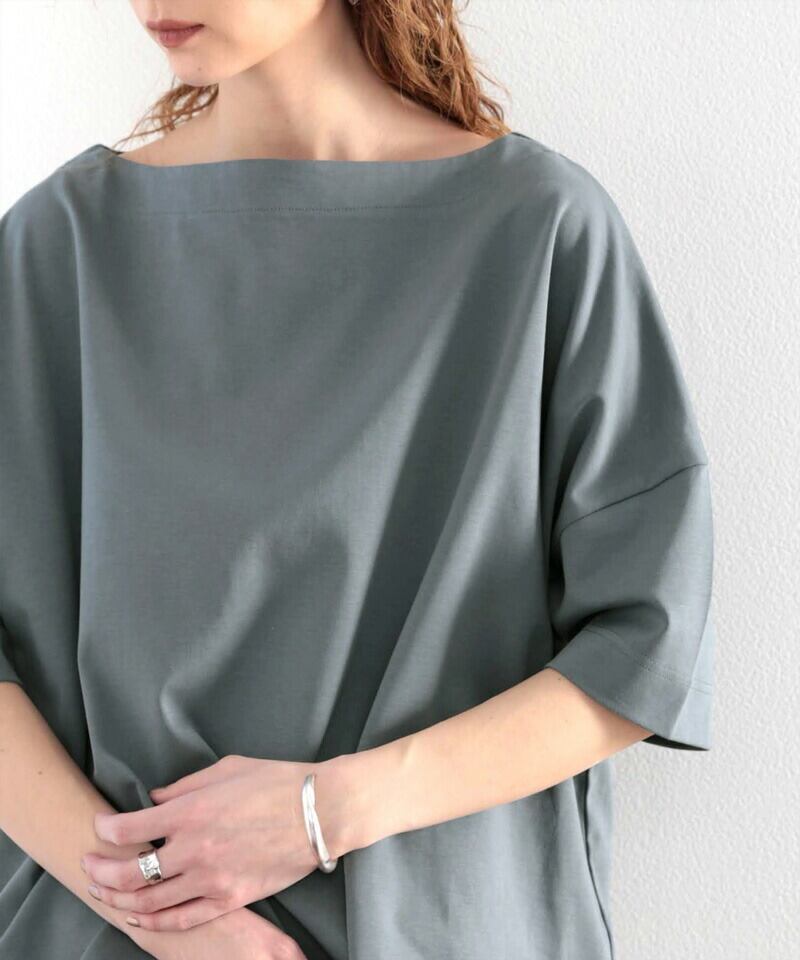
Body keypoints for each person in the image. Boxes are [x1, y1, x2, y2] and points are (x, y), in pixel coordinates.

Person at [0, 1, 716, 959]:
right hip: (101, 934)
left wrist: (320, 812)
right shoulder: (58, 245)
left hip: (447, 928)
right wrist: (160, 913)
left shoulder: (537, 229)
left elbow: (643, 643)